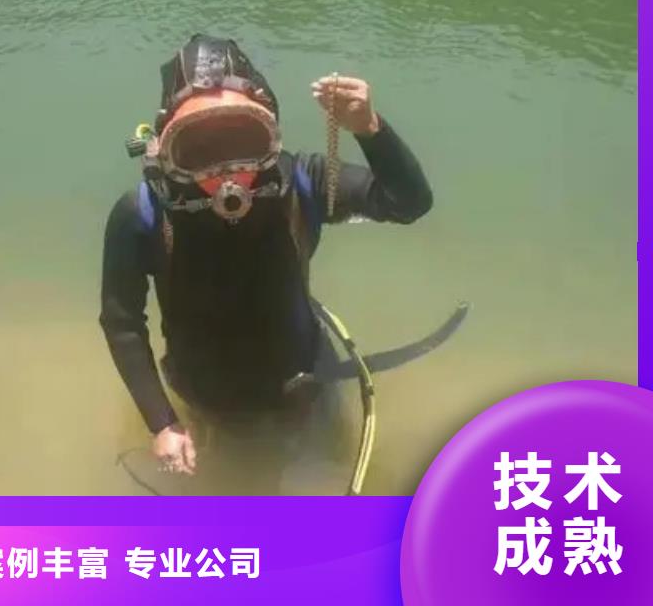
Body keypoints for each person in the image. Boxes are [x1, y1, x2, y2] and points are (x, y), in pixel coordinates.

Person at [99, 34, 433, 479]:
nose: (228, 173)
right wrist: (162, 423)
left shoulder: (306, 182)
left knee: (330, 472)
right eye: (200, 149)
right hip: (207, 396)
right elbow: (122, 322)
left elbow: (408, 203)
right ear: (166, 146)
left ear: (270, 129)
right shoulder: (143, 213)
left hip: (306, 380)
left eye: (243, 141)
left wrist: (369, 128)